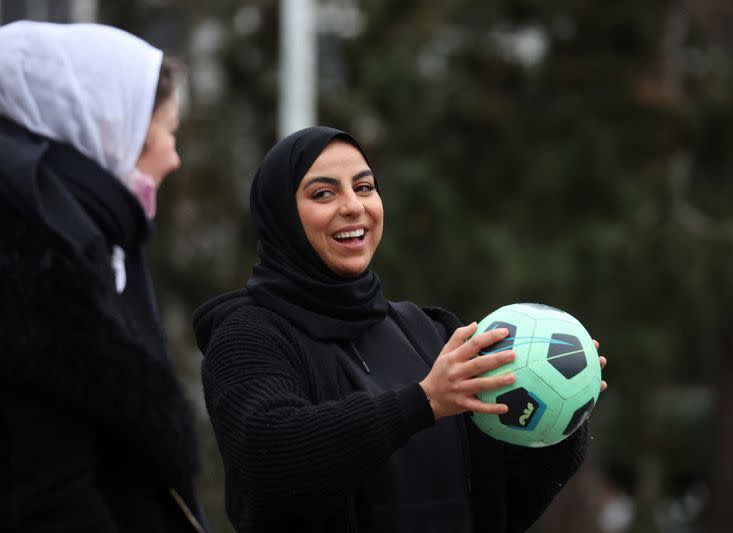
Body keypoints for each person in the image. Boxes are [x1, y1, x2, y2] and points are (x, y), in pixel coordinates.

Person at [193, 127, 607, 532]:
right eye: (323, 193)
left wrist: (563, 412)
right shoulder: (247, 334)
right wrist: (422, 402)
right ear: (280, 215)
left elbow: (499, 502)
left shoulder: (429, 331)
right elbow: (270, 462)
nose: (354, 206)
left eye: (365, 187)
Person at [0, 21, 206, 532]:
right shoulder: (35, 276)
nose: (174, 157)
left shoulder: (90, 251)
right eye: (167, 132)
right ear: (109, 129)